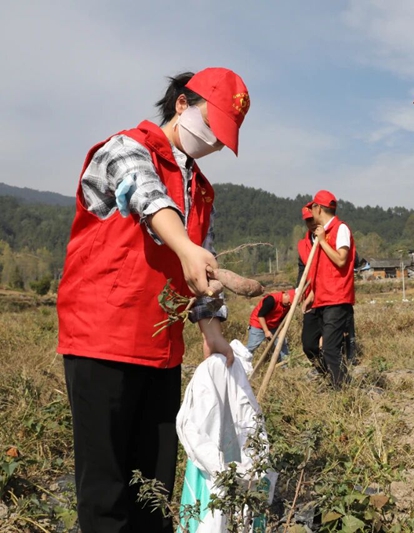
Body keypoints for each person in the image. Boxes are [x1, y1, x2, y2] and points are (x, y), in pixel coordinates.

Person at [56, 68, 249, 532]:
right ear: (182, 105)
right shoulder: (126, 149)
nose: (216, 144)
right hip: (103, 342)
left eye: (225, 138)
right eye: (213, 127)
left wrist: (212, 333)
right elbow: (146, 197)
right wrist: (184, 247)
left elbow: (201, 269)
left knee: (155, 487)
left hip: (161, 351)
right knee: (107, 489)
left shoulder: (201, 189)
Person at [301, 190, 356, 387]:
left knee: (331, 349)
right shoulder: (319, 234)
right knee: (309, 344)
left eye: (312, 207)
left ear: (318, 208)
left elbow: (341, 260)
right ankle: (331, 377)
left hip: (337, 298)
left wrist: (323, 241)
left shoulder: (341, 229)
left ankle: (342, 389)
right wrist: (311, 294)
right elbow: (321, 270)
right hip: (320, 298)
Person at [246, 288, 295, 361]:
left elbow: (282, 319)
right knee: (252, 346)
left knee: (281, 343)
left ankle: (285, 365)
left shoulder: (288, 305)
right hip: (258, 324)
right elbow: (260, 315)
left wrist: (281, 331)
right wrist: (266, 331)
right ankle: (242, 363)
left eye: (291, 304)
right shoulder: (271, 300)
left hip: (273, 325)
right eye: (289, 302)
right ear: (285, 294)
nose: (289, 304)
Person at [297, 204, 316, 286]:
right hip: (312, 294)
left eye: (314, 219)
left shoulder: (334, 236)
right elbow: (302, 272)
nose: (312, 223)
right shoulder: (303, 246)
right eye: (308, 220)